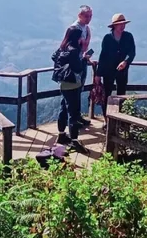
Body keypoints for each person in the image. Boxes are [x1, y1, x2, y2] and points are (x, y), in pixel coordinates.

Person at [51, 25, 89, 154]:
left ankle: (62, 135)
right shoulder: (73, 50)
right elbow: (78, 68)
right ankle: (74, 141)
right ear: (77, 37)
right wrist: (84, 59)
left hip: (63, 83)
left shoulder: (62, 47)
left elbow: (53, 57)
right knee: (74, 112)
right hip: (73, 84)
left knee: (63, 108)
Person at [95, 13, 136, 115]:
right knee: (107, 94)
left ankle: (120, 117)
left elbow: (132, 52)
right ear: (114, 25)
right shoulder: (107, 38)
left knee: (121, 94)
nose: (122, 26)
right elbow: (103, 56)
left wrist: (126, 61)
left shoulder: (128, 36)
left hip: (122, 70)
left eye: (124, 24)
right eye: (120, 24)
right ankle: (106, 117)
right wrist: (98, 74)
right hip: (108, 71)